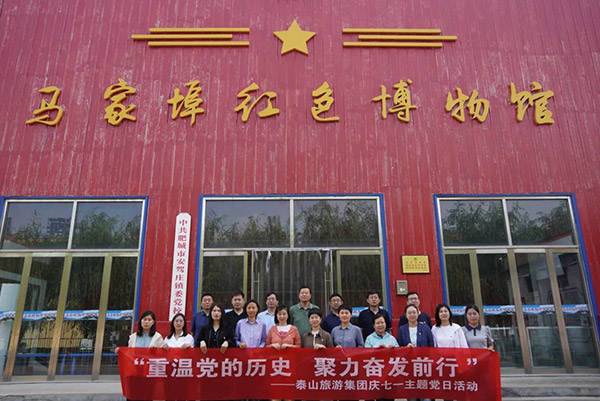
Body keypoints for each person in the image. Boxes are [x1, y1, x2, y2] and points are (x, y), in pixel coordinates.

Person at [397, 304, 434, 401]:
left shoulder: (425, 328)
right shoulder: (402, 329)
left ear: (418, 313)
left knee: (425, 395)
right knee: (412, 395)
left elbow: (431, 345)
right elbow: (399, 347)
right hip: (408, 366)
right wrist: (405, 348)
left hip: (424, 365)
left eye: (414, 312)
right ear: (406, 315)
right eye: (409, 313)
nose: (412, 315)